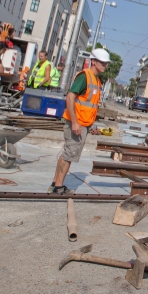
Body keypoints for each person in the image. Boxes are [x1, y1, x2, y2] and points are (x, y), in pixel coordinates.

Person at [49, 48, 109, 194]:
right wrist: (75, 122)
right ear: (93, 61)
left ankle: (55, 184)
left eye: (106, 63)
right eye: (102, 62)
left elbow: (89, 105)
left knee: (67, 154)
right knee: (69, 155)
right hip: (76, 123)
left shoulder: (97, 80)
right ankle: (58, 187)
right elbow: (70, 97)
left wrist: (90, 124)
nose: (105, 65)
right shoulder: (84, 77)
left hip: (83, 123)